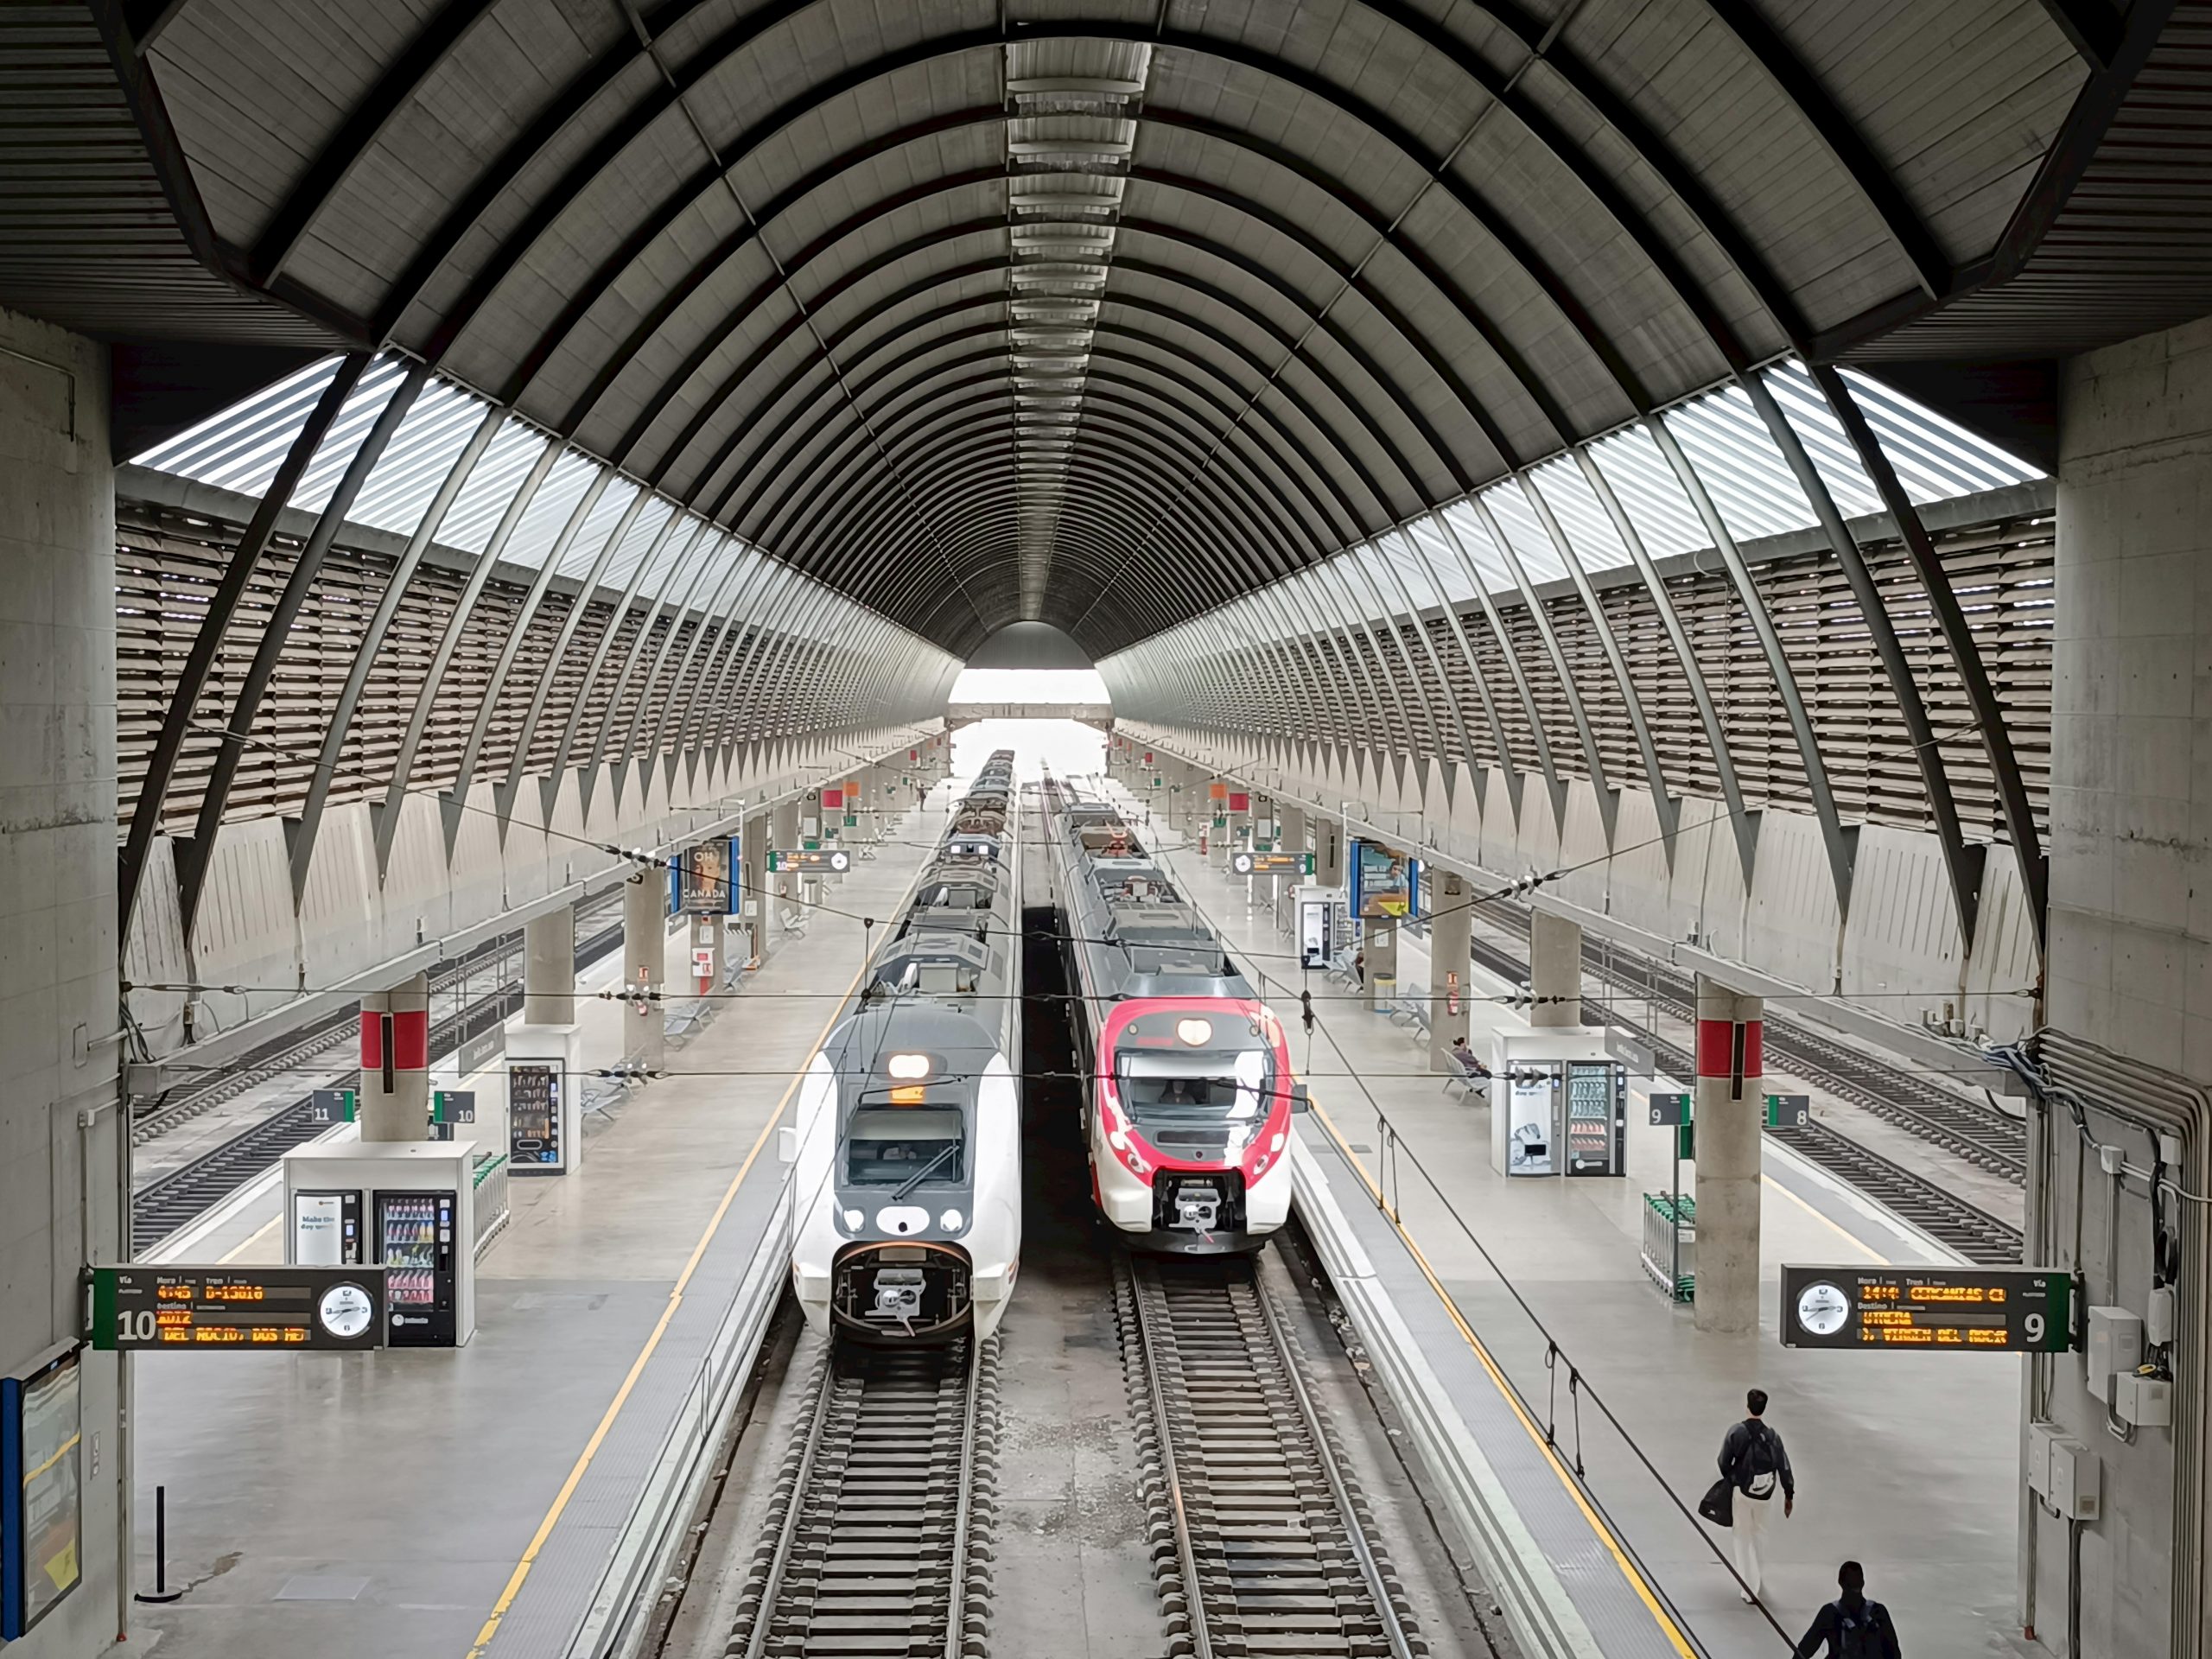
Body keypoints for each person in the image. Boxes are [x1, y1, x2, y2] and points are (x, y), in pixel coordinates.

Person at [1718, 1389, 1794, 1605]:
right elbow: (1784, 1466)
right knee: (1760, 1534)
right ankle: (1758, 1578)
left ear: (1747, 1406)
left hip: (1742, 1492)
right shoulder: (1772, 1436)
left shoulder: (1737, 1432)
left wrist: (1733, 1479)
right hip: (1766, 1493)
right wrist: (1789, 1494)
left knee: (1742, 1536)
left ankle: (1748, 1587)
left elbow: (1723, 1461)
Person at [1793, 1561, 1899, 1657]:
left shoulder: (1877, 1612)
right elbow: (1805, 1650)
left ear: (1840, 1582)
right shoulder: (1830, 1613)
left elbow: (1804, 1651)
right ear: (1863, 1583)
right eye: (1852, 1583)